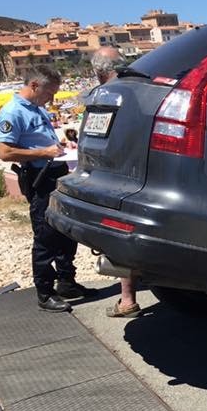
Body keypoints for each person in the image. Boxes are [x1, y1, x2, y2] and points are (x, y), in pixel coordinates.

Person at [0, 68, 92, 312]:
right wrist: (43, 152)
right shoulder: (12, 111)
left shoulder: (37, 108)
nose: (52, 98)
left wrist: (58, 147)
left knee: (65, 232)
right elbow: (5, 152)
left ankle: (67, 282)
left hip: (56, 172)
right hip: (40, 178)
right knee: (46, 235)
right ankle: (45, 292)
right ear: (35, 86)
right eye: (50, 92)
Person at [90, 47, 142, 318]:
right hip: (135, 172)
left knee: (119, 235)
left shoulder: (100, 96)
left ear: (98, 71)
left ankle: (127, 300)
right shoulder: (135, 90)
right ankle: (127, 298)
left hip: (110, 175)